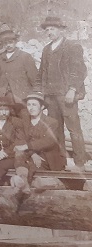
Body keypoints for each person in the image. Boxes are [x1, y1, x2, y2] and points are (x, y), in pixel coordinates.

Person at [37, 15, 90, 172]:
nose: (49, 32)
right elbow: (42, 73)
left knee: (73, 128)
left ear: (61, 30)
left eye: (52, 29)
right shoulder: (46, 49)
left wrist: (72, 89)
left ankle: (80, 162)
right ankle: (62, 161)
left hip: (67, 95)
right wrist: (40, 93)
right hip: (51, 96)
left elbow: (80, 71)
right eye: (47, 30)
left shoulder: (72, 47)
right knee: (55, 128)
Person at [4, 91, 66, 211]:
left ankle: (17, 192)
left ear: (42, 107)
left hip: (47, 157)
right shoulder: (24, 121)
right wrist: (32, 154)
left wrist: (29, 147)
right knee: (19, 153)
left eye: (34, 105)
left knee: (28, 163)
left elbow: (49, 141)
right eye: (29, 105)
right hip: (30, 155)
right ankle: (24, 188)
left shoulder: (52, 122)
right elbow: (19, 139)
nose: (31, 108)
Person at [0, 29, 38, 119]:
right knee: (9, 125)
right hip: (5, 99)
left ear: (15, 42)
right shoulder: (0, 59)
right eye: (5, 43)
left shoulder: (25, 57)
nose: (8, 45)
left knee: (25, 123)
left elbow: (34, 79)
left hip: (22, 98)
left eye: (10, 42)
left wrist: (34, 99)